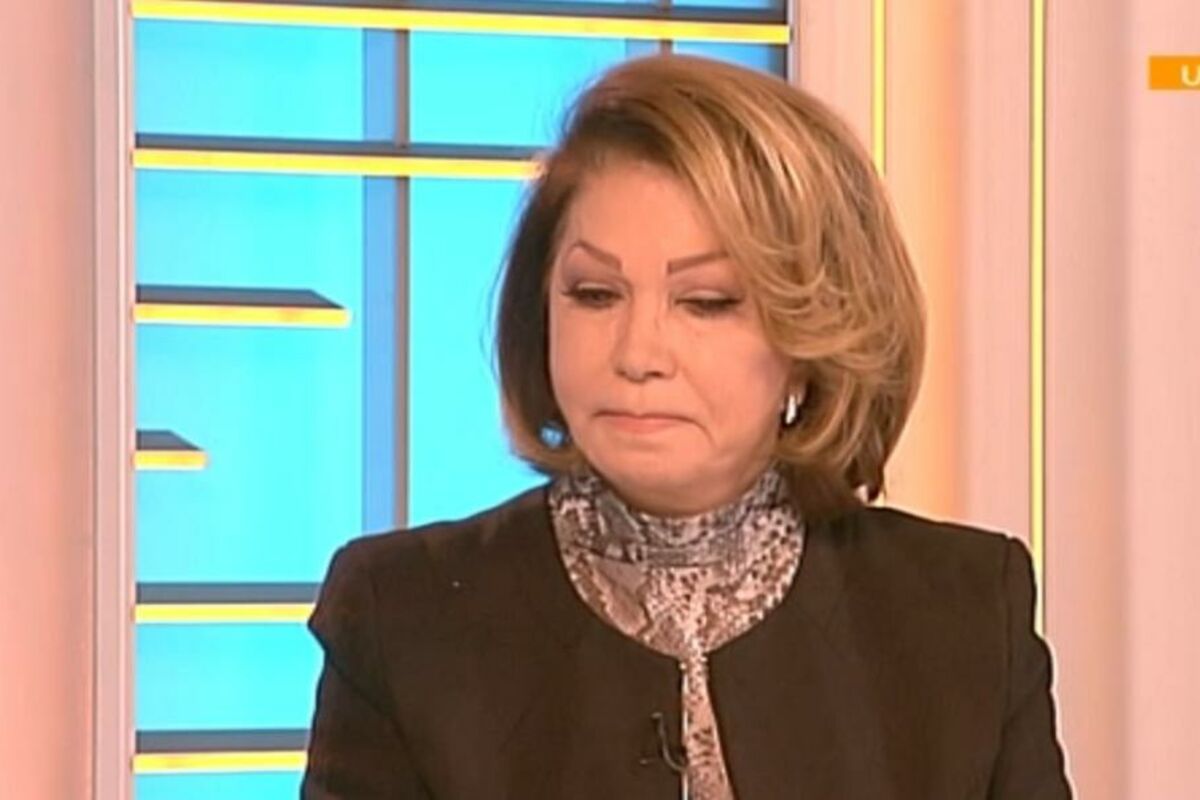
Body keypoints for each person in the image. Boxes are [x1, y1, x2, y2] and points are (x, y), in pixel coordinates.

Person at [301, 54, 1073, 799]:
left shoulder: (967, 612)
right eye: (595, 294)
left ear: (812, 340)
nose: (638, 354)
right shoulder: (402, 615)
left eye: (706, 302)